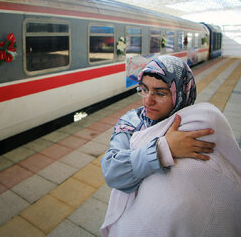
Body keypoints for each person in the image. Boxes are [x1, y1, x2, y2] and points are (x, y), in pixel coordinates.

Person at [100, 56, 241, 236]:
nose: (147, 101)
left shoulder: (196, 125)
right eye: (144, 90)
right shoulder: (131, 123)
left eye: (160, 93)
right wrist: (163, 149)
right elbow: (112, 171)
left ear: (180, 93)